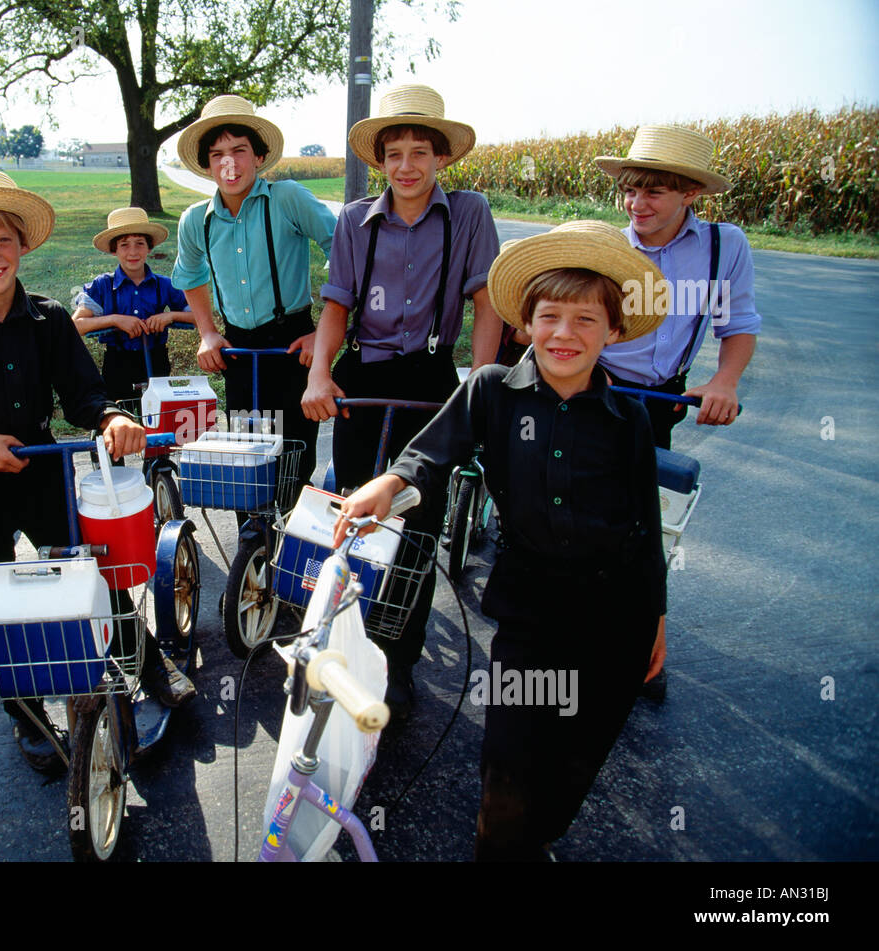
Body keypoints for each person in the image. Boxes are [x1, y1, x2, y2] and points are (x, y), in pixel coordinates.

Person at [337, 220, 669, 861]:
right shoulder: (490, 390)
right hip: (529, 613)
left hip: (616, 620)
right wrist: (391, 481)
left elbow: (646, 528)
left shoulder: (631, 418)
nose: (564, 334)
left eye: (585, 320)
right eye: (550, 317)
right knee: (509, 760)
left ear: (615, 331)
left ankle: (537, 835)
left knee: (579, 753)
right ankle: (504, 844)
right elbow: (427, 459)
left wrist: (656, 617)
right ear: (524, 325)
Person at [0, 169, 194, 772]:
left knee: (92, 572)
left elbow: (85, 395)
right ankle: (25, 717)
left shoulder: (49, 319)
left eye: (3, 242)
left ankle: (147, 661)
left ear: (23, 246)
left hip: (41, 467)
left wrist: (110, 418)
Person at [301, 84, 503, 719]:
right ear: (379, 162)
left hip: (431, 376)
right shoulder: (355, 221)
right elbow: (336, 304)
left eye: (421, 152)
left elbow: (486, 300)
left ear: (441, 159)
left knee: (415, 518)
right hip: (366, 372)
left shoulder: (469, 213)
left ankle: (401, 659)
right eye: (395, 154)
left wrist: (483, 380)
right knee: (355, 511)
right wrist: (319, 374)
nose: (408, 166)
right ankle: (342, 641)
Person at [594, 125, 760, 701]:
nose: (638, 204)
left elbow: (736, 325)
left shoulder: (722, 247)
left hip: (662, 395)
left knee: (647, 518)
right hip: (597, 386)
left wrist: (724, 380)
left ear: (691, 194)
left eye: (654, 193)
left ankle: (642, 642)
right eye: (631, 191)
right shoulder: (608, 249)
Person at [171, 95, 336, 493]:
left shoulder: (288, 199)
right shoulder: (196, 220)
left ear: (259, 157)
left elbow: (343, 250)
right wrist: (208, 332)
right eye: (218, 154)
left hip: (292, 342)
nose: (230, 163)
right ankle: (254, 541)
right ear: (208, 165)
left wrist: (324, 334)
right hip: (240, 350)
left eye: (239, 151)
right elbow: (190, 274)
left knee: (293, 454)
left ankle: (289, 531)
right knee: (249, 453)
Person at [71, 206, 193, 402]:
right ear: (114, 250)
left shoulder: (165, 285)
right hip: (117, 364)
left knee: (156, 416)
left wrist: (170, 316)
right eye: (124, 245)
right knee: (121, 417)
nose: (133, 252)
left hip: (156, 360)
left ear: (149, 247)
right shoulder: (102, 286)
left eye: (140, 243)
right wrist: (115, 320)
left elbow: (198, 316)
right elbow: (76, 325)